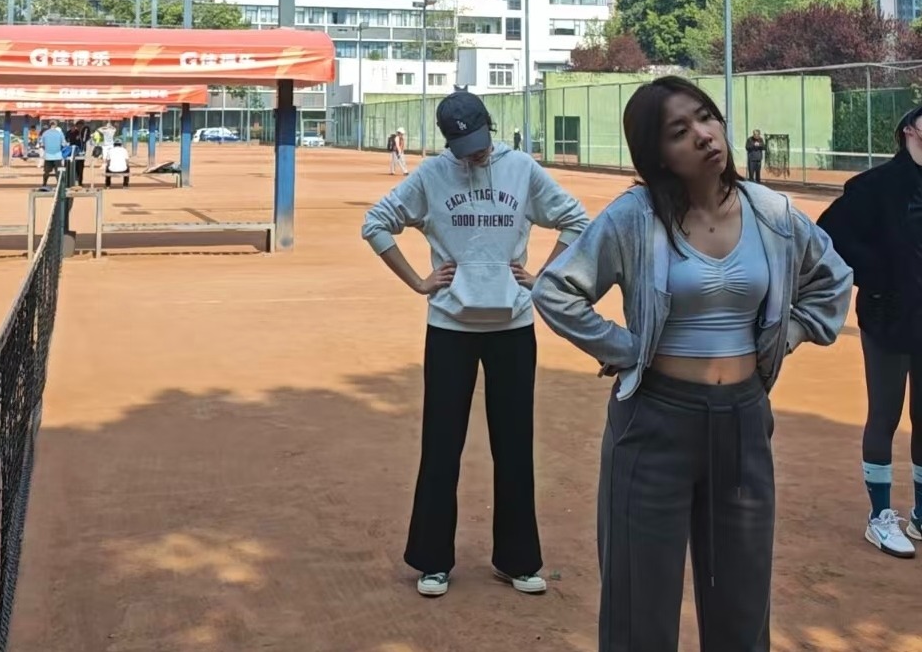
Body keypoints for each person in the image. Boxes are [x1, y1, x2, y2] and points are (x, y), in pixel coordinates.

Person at [531, 76, 852, 652]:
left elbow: (832, 279)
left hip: (743, 422)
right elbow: (556, 290)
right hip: (654, 423)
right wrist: (626, 349)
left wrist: (790, 334)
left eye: (706, 117)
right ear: (657, 155)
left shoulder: (771, 212)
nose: (704, 135)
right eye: (680, 131)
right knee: (639, 610)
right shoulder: (635, 217)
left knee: (742, 609)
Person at [361, 90, 590, 599]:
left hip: (513, 327)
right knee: (441, 446)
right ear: (448, 141)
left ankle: (518, 560)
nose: (475, 155)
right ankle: (432, 561)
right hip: (450, 328)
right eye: (464, 148)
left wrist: (542, 277)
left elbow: (577, 219)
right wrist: (419, 282)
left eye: (481, 144)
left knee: (515, 446)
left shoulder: (521, 169)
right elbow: (375, 224)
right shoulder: (431, 175)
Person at [816, 103, 922, 558]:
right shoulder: (874, 186)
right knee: (885, 415)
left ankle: (920, 514)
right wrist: (877, 276)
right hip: (887, 316)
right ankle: (880, 516)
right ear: (910, 130)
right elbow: (829, 235)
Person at [39, 120, 66, 186]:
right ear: (56, 125)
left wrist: (46, 149)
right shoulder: (60, 133)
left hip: (48, 156)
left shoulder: (45, 133)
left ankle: (44, 184)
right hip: (57, 156)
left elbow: (41, 144)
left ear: (49, 125)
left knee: (46, 172)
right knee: (58, 172)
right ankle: (60, 185)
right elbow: (64, 144)